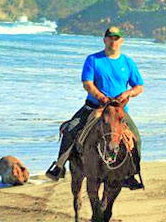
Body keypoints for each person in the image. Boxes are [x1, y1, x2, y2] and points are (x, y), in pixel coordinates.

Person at [45, 26, 145, 189]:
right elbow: (87, 84)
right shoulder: (93, 59)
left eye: (116, 38)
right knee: (71, 129)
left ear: (121, 41)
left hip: (118, 111)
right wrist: (102, 98)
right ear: (104, 40)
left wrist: (128, 93)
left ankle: (131, 174)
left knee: (136, 139)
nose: (113, 41)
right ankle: (59, 166)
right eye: (110, 38)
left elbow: (139, 86)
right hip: (94, 107)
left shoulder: (128, 62)